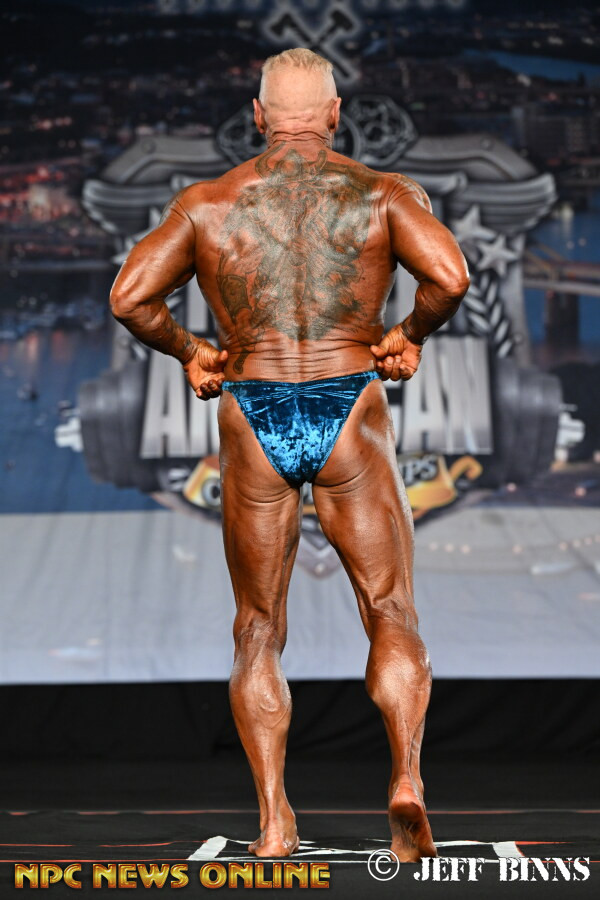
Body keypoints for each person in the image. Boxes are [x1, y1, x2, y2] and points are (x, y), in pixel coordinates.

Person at [109, 48, 470, 862]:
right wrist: (408, 334)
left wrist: (192, 351)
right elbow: (450, 277)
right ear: (336, 115)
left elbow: (129, 297)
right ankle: (406, 779)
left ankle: (275, 820)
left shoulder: (207, 203)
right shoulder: (382, 193)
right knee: (390, 611)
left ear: (259, 116)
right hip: (349, 407)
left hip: (254, 406)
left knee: (257, 628)